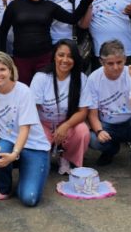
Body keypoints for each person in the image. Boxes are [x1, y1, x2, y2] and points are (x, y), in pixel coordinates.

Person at [0, 52, 51, 207]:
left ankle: (28, 172)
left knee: (29, 198)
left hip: (34, 146)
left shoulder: (23, 91)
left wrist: (14, 155)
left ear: (11, 71)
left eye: (2, 69)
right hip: (10, 141)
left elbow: (25, 128)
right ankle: (5, 187)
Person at [0, 0, 94, 85]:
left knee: (45, 93)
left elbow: (73, 19)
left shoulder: (50, 6)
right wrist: (2, 57)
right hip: (21, 60)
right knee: (24, 92)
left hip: (44, 59)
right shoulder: (14, 5)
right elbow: (2, 31)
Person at [84, 40, 131, 179]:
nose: (115, 67)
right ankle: (110, 150)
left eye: (119, 62)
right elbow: (92, 114)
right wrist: (99, 131)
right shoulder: (94, 79)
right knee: (92, 138)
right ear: (102, 62)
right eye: (110, 63)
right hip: (108, 125)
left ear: (125, 60)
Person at [30, 40, 91, 175]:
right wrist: (41, 130)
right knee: (38, 148)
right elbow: (31, 110)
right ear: (54, 57)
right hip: (42, 123)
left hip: (67, 122)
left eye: (70, 56)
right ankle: (45, 156)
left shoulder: (81, 78)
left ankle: (67, 158)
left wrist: (66, 125)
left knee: (83, 131)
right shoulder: (41, 77)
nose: (65, 60)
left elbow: (83, 112)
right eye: (61, 55)